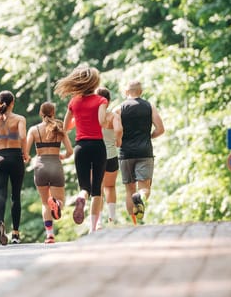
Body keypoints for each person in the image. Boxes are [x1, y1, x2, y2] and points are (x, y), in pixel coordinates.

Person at [54, 66, 108, 233]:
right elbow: (101, 121)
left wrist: (79, 120)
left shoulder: (74, 102)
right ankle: (93, 228)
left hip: (81, 147)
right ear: (95, 83)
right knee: (97, 188)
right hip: (98, 146)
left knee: (85, 186)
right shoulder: (101, 100)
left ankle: (80, 197)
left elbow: (65, 127)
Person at [113, 80, 165, 225]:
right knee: (144, 189)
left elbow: (112, 129)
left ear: (126, 92)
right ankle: (140, 197)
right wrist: (149, 137)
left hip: (126, 153)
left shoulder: (118, 109)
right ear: (141, 92)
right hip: (145, 152)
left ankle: (134, 224)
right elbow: (160, 129)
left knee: (129, 191)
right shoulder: (149, 107)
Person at [24, 102, 73, 243]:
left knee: (45, 203)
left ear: (40, 113)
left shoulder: (34, 130)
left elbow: (26, 152)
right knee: (61, 200)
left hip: (40, 166)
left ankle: (49, 235)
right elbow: (70, 151)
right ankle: (57, 204)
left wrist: (27, 158)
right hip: (55, 165)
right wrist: (63, 156)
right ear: (54, 113)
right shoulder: (59, 128)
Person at [0, 90, 28, 245]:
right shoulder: (19, 119)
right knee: (15, 196)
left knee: (1, 194)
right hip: (15, 157)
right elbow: (23, 136)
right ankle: (15, 234)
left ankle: (1, 222)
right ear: (12, 103)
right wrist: (26, 153)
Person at [95, 87, 119, 227]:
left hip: (95, 156)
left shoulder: (91, 117)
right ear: (108, 102)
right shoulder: (113, 116)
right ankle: (112, 218)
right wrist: (119, 140)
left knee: (97, 189)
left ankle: (98, 221)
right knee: (110, 187)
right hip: (111, 156)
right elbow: (119, 130)